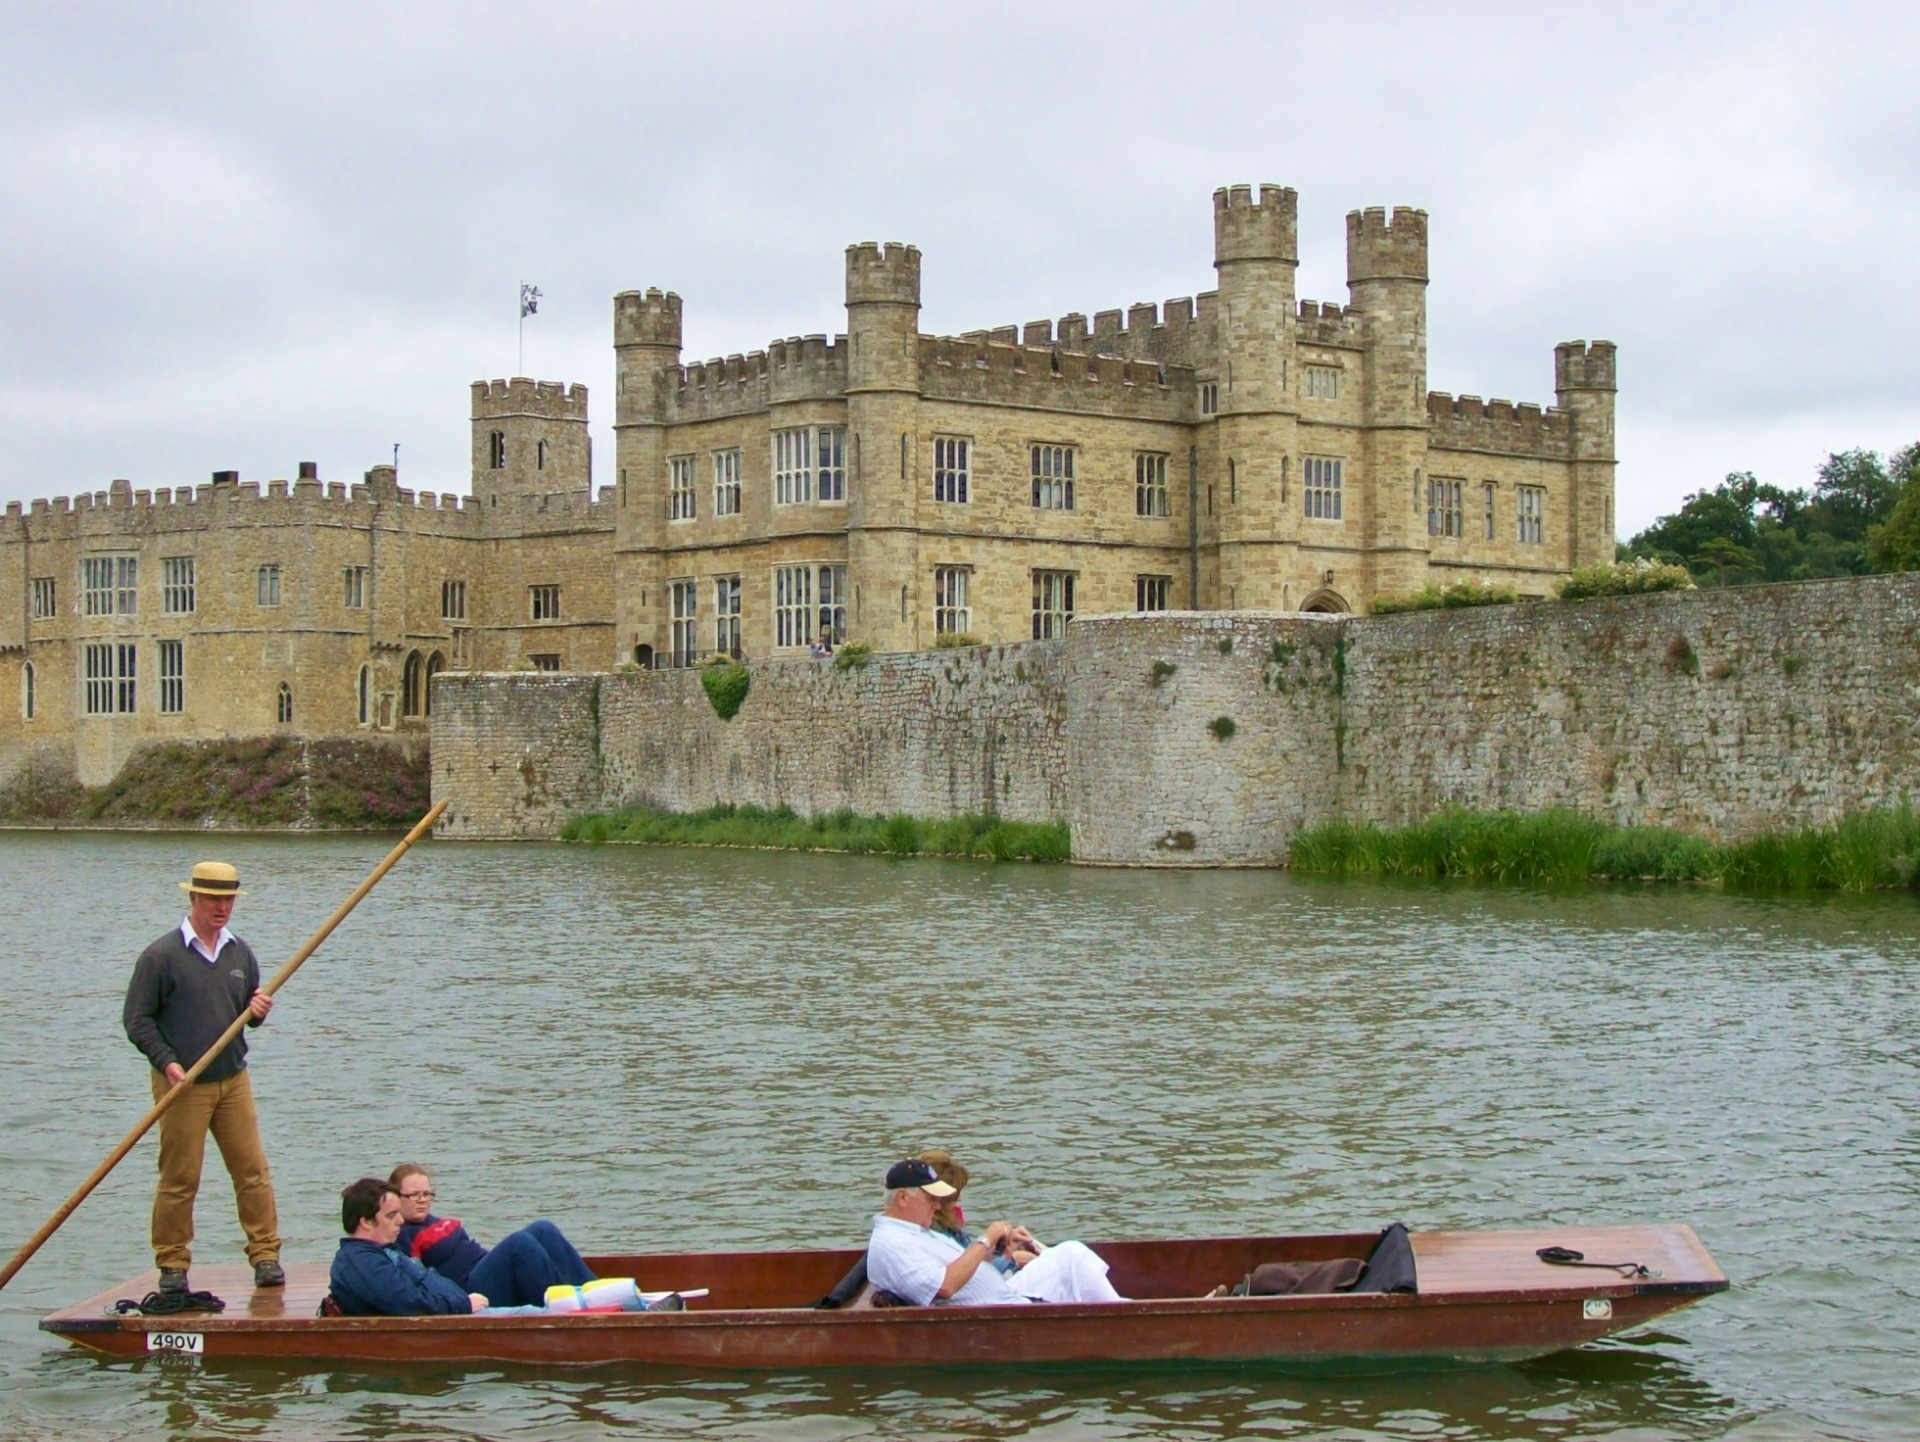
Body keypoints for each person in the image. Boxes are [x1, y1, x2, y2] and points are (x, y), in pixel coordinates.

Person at [123, 860, 283, 1294]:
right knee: (180, 1177)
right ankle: (173, 1264)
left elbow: (247, 1014)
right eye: (213, 898)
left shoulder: (239, 953)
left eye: (228, 899)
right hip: (182, 1084)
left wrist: (258, 1014)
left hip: (233, 1079)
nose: (222, 907)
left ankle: (266, 1255)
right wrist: (168, 1063)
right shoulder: (161, 956)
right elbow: (137, 1020)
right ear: (192, 898)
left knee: (252, 1171)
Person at [865, 1158, 1126, 1306]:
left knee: (1070, 1254)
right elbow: (943, 1287)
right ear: (902, 1198)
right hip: (995, 1315)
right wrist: (986, 1238)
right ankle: (1127, 1319)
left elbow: (958, 1268)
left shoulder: (914, 1231)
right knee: (1074, 1258)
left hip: (1005, 1297)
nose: (937, 1205)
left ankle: (1123, 1313)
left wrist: (993, 1250)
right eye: (930, 1198)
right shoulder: (892, 1243)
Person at [389, 1163, 595, 1308]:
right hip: (470, 1289)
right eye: (414, 1195)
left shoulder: (431, 1220)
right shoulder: (401, 1233)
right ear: (396, 1197)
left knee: (543, 1228)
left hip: (484, 1267)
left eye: (427, 1194)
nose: (422, 1200)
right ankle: (565, 1308)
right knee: (519, 1243)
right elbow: (413, 1279)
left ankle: (595, 1293)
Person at [330, 1178, 487, 1316]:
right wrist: (464, 1305)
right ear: (366, 1222)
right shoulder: (362, 1261)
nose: (400, 1221)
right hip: (449, 1326)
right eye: (391, 1215)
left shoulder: (380, 1252)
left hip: (458, 1316)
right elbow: (407, 1302)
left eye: (399, 1213)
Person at [916, 1149, 1023, 1274]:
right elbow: (964, 1273)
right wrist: (1013, 1259)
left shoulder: (947, 1225)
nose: (960, 1198)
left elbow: (970, 1257)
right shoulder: (935, 1234)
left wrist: (997, 1245)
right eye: (956, 1195)